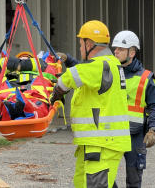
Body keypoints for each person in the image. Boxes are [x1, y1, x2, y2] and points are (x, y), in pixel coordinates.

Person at [50, 20, 132, 188]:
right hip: (95, 143)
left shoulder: (101, 65)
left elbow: (68, 78)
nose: (80, 49)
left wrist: (55, 92)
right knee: (81, 182)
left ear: (89, 44)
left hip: (103, 143)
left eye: (81, 45)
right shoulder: (108, 64)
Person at [111, 30, 155, 188]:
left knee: (134, 181)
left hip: (135, 135)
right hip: (111, 133)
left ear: (132, 53)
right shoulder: (108, 73)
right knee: (103, 177)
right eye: (115, 48)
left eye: (120, 48)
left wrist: (153, 129)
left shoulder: (145, 77)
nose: (116, 51)